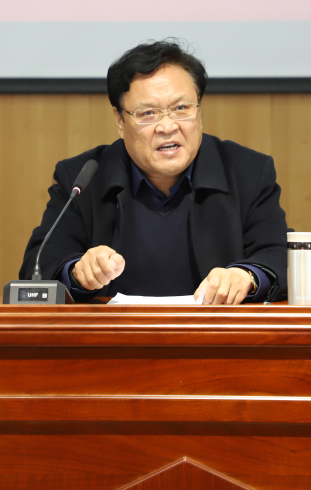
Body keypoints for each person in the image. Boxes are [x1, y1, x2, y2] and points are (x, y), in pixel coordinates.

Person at [19, 39, 288, 304]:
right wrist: (77, 272)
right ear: (119, 119)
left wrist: (246, 276)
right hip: (114, 333)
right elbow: (38, 265)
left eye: (181, 108)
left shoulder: (247, 172)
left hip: (215, 331)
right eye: (148, 113)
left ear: (199, 110)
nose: (167, 126)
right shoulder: (82, 178)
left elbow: (281, 257)